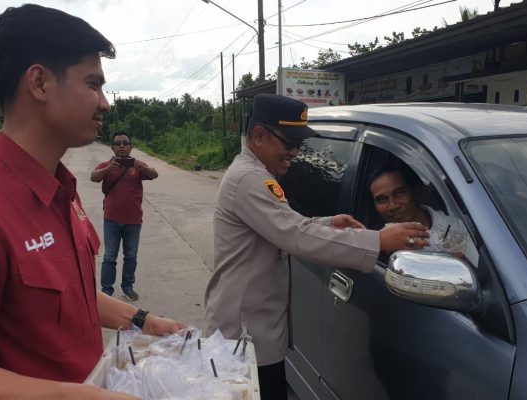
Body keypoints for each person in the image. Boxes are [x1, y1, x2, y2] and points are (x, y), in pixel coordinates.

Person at [0, 5, 183, 399]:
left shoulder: (60, 192)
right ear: (39, 83)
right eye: (92, 84)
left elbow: (70, 294)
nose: (105, 103)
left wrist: (144, 321)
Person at [204, 93, 431, 400]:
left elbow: (282, 224)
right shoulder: (250, 179)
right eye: (290, 143)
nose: (295, 152)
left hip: (253, 329)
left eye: (300, 144)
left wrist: (326, 223)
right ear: (259, 135)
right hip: (245, 334)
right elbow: (295, 236)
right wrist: (378, 240)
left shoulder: (254, 175)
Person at [368, 162, 479, 265]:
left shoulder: (455, 224)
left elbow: (482, 274)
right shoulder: (380, 244)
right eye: (382, 200)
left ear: (416, 191)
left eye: (399, 193)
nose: (392, 205)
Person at [91, 131, 157, 301]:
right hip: (111, 219)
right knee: (110, 257)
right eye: (118, 144)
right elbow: (93, 177)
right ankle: (107, 290)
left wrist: (141, 167)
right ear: (112, 147)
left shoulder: (137, 165)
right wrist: (107, 169)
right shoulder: (107, 165)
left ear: (130, 146)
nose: (121, 146)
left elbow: (154, 174)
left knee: (131, 256)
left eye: (125, 143)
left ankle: (127, 287)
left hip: (133, 221)